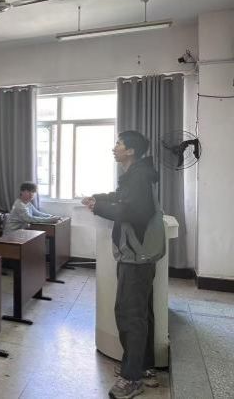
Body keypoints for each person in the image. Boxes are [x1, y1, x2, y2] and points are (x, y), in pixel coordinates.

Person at [82, 131, 160, 399]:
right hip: (138, 256)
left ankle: (132, 378)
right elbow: (121, 198)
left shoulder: (138, 176)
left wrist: (98, 207)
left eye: (119, 143)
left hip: (135, 256)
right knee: (140, 313)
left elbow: (132, 211)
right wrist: (98, 199)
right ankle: (143, 366)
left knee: (130, 315)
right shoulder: (136, 175)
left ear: (131, 151)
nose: (114, 148)